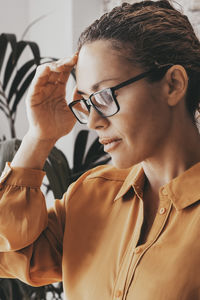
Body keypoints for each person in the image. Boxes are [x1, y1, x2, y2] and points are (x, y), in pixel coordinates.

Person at [0, 0, 200, 299]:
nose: (93, 121)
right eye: (86, 101)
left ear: (172, 84)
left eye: (105, 96)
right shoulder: (88, 196)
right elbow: (8, 251)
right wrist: (40, 136)